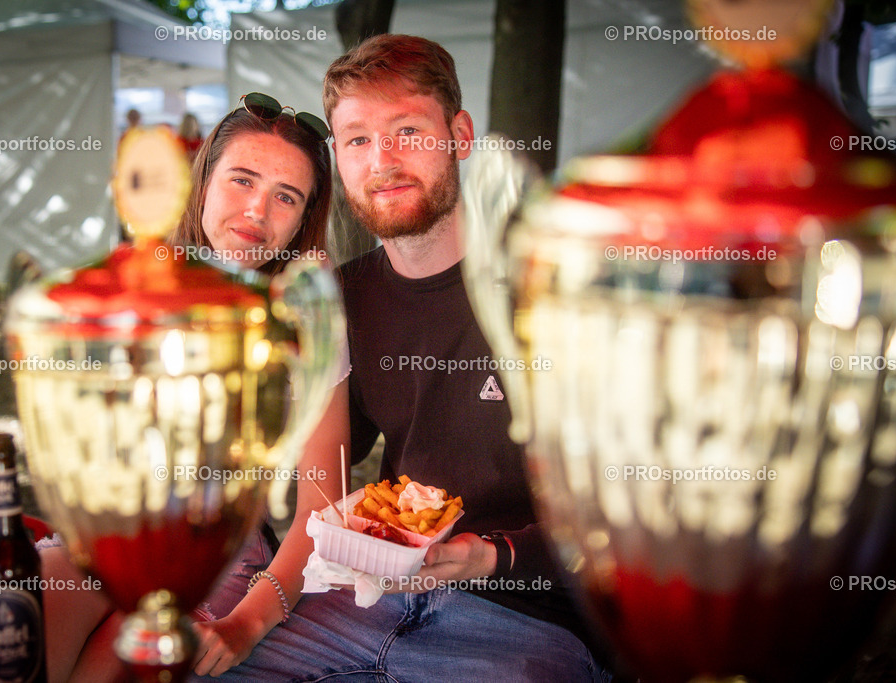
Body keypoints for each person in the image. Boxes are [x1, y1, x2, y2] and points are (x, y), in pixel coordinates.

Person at [190, 34, 609, 682]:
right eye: (357, 140)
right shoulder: (344, 298)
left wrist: (489, 555)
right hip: (376, 598)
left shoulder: (551, 292)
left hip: (527, 624)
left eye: (407, 130)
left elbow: (621, 523)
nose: (382, 159)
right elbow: (307, 478)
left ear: (460, 135)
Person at [39, 92, 347, 683]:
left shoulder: (307, 321)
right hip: (111, 534)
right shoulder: (141, 280)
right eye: (242, 179)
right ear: (203, 180)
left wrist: (248, 623)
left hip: (221, 551)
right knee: (21, 627)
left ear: (304, 218)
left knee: (116, 665)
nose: (257, 211)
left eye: (286, 196)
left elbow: (321, 508)